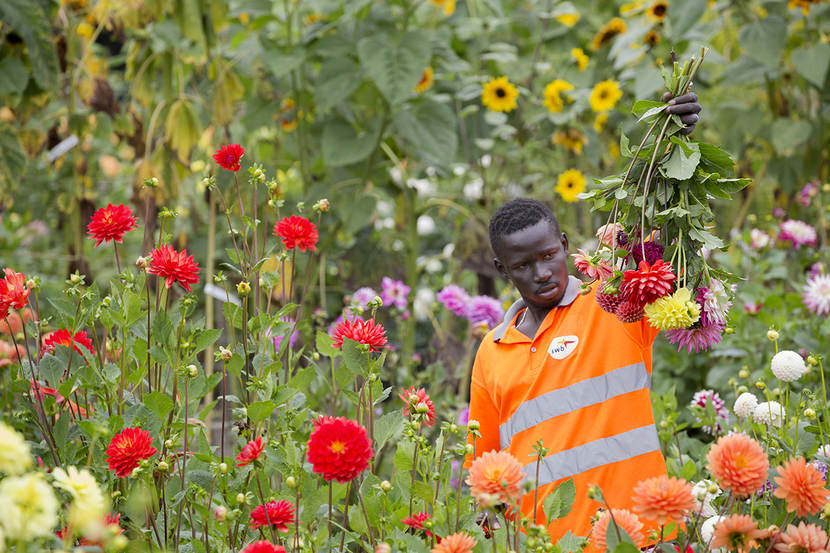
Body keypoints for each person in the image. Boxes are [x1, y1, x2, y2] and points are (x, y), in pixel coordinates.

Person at [465, 95, 702, 544]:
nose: (541, 273)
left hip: (641, 538)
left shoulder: (614, 302)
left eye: (550, 255)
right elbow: (488, 475)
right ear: (502, 270)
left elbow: (671, 241)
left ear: (565, 244)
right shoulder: (491, 354)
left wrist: (679, 144)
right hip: (548, 546)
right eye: (522, 265)